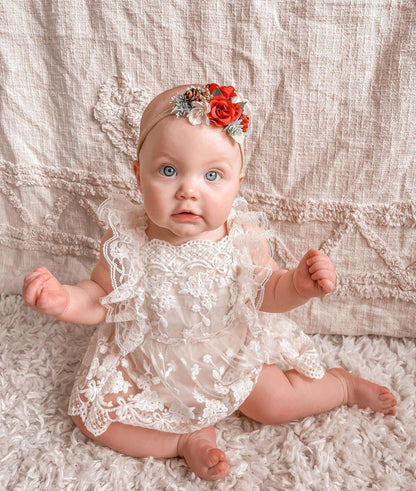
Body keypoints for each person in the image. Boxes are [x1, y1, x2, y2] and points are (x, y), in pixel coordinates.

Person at [22, 83, 397, 481]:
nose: (188, 190)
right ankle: (184, 441)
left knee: (275, 406)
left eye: (212, 175)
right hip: (147, 361)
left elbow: (266, 291)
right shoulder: (126, 237)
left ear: (238, 182)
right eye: (168, 171)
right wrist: (64, 300)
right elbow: (101, 297)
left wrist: (298, 287)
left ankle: (340, 387)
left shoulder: (241, 236)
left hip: (227, 356)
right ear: (138, 173)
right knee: (91, 416)